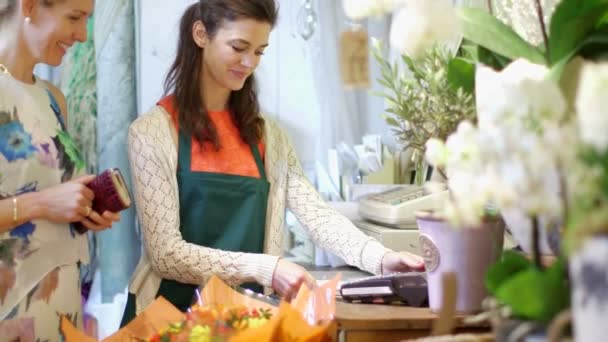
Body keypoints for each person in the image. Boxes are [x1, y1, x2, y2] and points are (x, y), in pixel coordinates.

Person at [122, 0, 425, 324]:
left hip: (245, 321)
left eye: (259, 51)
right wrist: (268, 267)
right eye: (238, 47)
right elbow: (166, 255)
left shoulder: (267, 135)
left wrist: (382, 259)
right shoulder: (152, 132)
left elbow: (317, 215)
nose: (249, 62)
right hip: (167, 320)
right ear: (201, 34)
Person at [0, 0, 120, 339]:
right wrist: (41, 203)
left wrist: (83, 208)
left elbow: (50, 200)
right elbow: (41, 201)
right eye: (74, 18)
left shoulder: (53, 98)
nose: (83, 35)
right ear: (31, 6)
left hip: (61, 306)